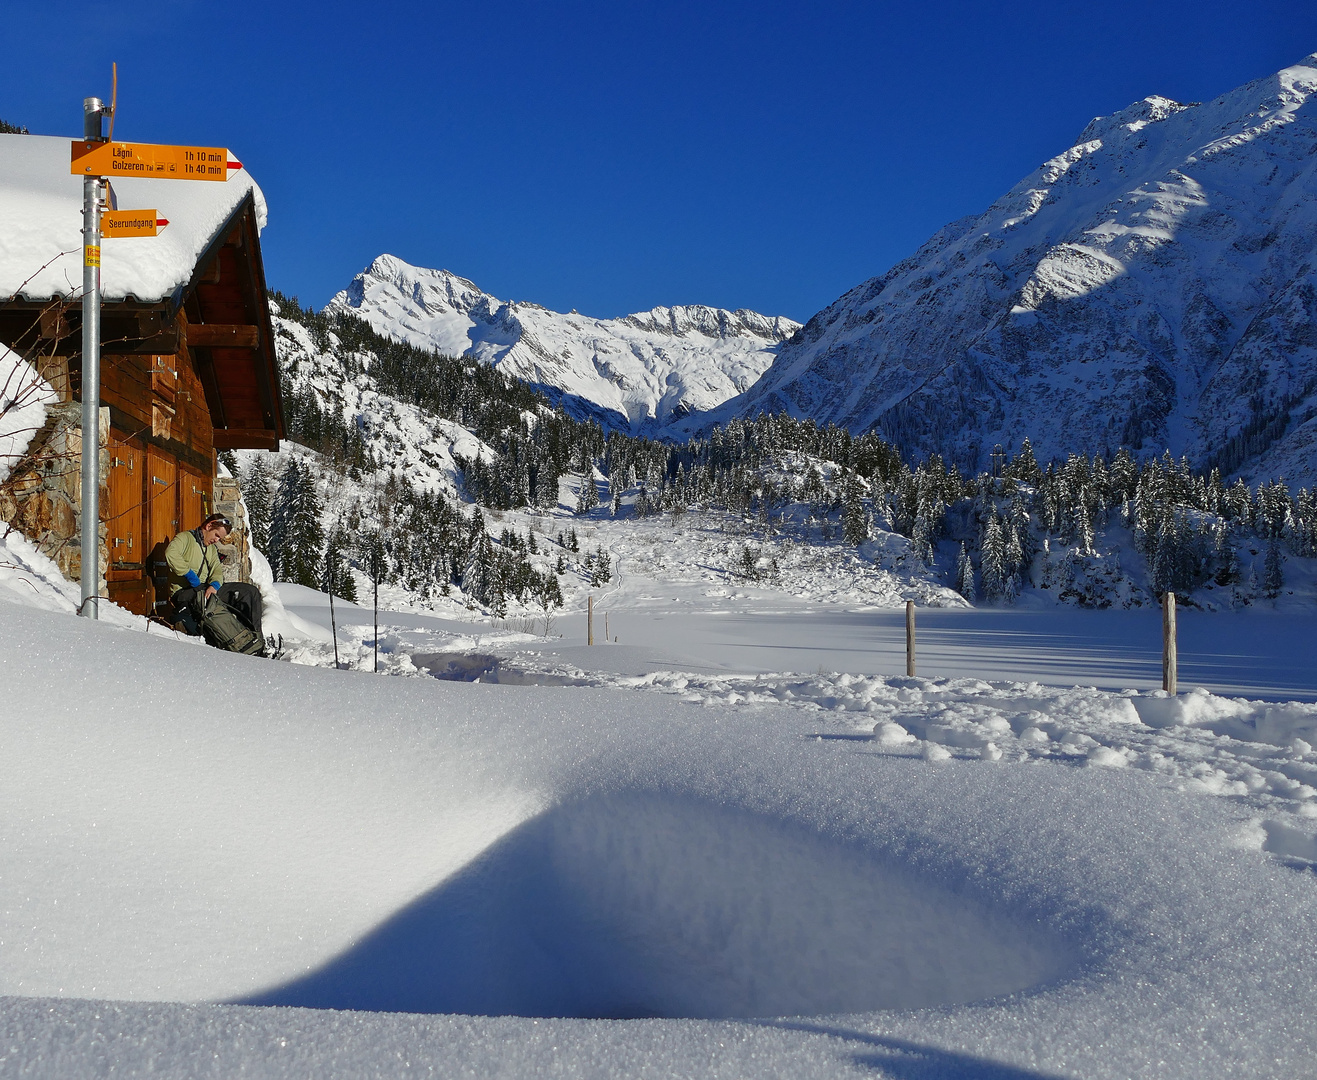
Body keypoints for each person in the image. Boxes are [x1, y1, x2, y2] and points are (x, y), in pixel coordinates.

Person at [165, 513, 264, 644]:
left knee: (249, 592)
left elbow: (216, 569)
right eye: (217, 535)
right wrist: (189, 575)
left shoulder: (210, 549)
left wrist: (215, 585)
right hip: (184, 592)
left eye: (220, 538)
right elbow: (171, 554)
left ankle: (254, 638)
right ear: (209, 525)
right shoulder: (185, 538)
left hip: (204, 590)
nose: (217, 540)